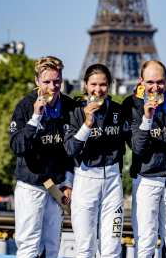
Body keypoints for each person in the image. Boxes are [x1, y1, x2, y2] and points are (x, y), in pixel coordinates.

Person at [122, 60, 166, 258]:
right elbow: (138, 149)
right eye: (150, 82)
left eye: (160, 82)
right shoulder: (131, 105)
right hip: (146, 181)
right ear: (141, 81)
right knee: (145, 244)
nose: (155, 87)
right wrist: (147, 119)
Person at [10, 56, 76, 258]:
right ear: (37, 81)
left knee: (53, 248)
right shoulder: (24, 106)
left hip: (56, 188)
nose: (52, 87)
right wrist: (35, 117)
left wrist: (69, 182)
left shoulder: (69, 106)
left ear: (62, 79)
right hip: (31, 186)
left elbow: (73, 150)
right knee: (29, 248)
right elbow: (17, 146)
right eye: (46, 82)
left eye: (56, 81)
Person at [63, 64, 125, 258]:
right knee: (85, 249)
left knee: (112, 250)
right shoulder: (75, 111)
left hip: (113, 181)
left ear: (110, 85)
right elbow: (71, 150)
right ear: (85, 85)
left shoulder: (118, 110)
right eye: (93, 84)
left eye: (103, 85)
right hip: (85, 180)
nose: (98, 90)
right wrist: (87, 123)